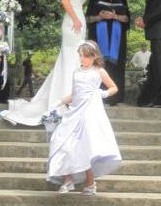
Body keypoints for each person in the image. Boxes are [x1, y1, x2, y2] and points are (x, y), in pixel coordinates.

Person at [1, 0, 90, 125]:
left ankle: (67, 97)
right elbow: (64, 1)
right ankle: (65, 99)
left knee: (72, 58)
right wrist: (76, 18)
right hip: (74, 22)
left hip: (76, 21)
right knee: (72, 57)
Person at [47, 41, 122, 195]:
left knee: (83, 147)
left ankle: (89, 183)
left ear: (94, 56)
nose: (82, 59)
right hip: (74, 110)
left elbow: (114, 88)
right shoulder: (76, 72)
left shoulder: (99, 71)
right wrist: (59, 102)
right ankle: (67, 180)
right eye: (80, 56)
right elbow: (74, 95)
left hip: (90, 111)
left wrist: (102, 93)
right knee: (62, 141)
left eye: (85, 56)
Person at [86, 0, 130, 106]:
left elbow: (127, 18)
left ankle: (115, 97)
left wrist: (115, 16)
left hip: (117, 40)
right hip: (98, 39)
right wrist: (99, 17)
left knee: (116, 66)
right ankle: (97, 96)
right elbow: (87, 18)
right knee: (99, 65)